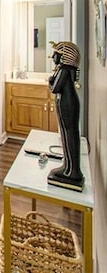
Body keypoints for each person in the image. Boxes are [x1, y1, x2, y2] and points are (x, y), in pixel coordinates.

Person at [47, 41, 84, 191]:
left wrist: (50, 81)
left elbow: (55, 88)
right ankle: (69, 167)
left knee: (69, 133)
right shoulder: (67, 69)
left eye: (56, 53)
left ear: (65, 56)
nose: (52, 56)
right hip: (67, 102)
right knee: (67, 132)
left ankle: (72, 170)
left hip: (67, 103)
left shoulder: (64, 70)